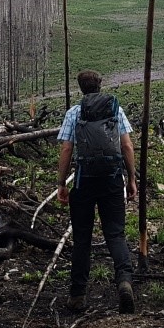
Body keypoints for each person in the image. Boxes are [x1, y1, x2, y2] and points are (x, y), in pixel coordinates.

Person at [57, 69, 138, 313]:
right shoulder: (115, 110)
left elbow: (66, 150)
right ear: (99, 86)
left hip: (84, 180)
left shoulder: (74, 112)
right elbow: (126, 145)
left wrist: (61, 183)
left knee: (82, 238)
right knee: (116, 234)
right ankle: (124, 281)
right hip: (112, 179)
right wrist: (131, 178)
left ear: (81, 88)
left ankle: (78, 295)